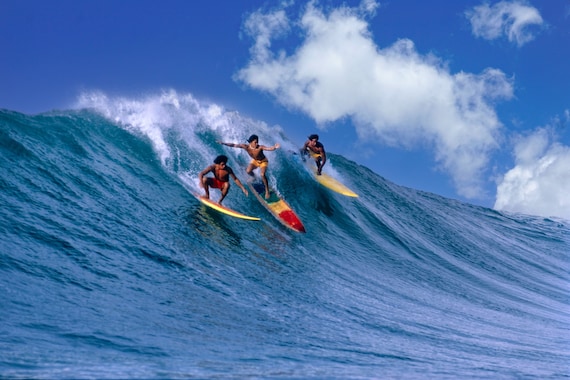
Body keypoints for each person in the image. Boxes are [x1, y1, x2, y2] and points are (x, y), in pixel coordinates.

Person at [218, 134, 280, 199]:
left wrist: (274, 147)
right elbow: (234, 145)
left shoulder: (260, 147)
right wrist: (223, 143)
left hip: (263, 162)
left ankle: (267, 190)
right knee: (248, 171)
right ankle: (254, 177)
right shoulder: (246, 147)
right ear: (250, 142)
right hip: (255, 161)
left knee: (262, 174)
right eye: (255, 142)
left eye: (257, 142)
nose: (257, 144)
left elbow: (268, 148)